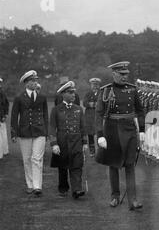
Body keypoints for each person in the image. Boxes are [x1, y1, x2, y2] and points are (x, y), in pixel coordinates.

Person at [95, 61, 144, 210]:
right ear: (114, 74)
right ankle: (114, 196)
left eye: (126, 74)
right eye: (121, 74)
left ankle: (133, 200)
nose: (125, 77)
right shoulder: (105, 91)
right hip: (112, 130)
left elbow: (140, 110)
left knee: (130, 164)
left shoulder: (132, 90)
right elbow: (99, 114)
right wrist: (100, 135)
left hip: (129, 130)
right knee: (114, 164)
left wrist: (142, 130)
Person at [11, 70, 48, 196]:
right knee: (27, 159)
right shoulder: (19, 98)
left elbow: (45, 116)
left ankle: (37, 186)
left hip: (40, 131)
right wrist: (14, 133)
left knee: (36, 158)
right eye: (32, 80)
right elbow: (14, 116)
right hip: (24, 131)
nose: (35, 82)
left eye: (36, 80)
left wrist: (46, 132)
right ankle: (30, 185)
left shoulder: (42, 97)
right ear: (26, 83)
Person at [49, 81, 88, 198]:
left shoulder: (79, 109)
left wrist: (85, 142)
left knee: (77, 166)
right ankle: (63, 187)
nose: (73, 95)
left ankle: (76, 190)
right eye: (70, 93)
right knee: (63, 166)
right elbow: (52, 128)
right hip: (62, 142)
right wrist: (54, 144)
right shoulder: (56, 110)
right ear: (63, 94)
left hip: (76, 142)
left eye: (74, 92)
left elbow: (83, 127)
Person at [83, 78, 101, 156]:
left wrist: (92, 104)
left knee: (100, 133)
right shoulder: (88, 94)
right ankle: (92, 151)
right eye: (93, 85)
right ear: (91, 85)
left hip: (98, 117)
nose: (95, 86)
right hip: (89, 117)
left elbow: (102, 104)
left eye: (96, 85)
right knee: (90, 134)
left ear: (99, 85)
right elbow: (84, 103)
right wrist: (94, 104)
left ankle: (101, 150)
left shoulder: (101, 93)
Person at [0, 77, 9, 159]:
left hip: (1, 116)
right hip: (1, 115)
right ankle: (4, 151)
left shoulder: (1, 92)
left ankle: (3, 152)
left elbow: (5, 104)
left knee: (2, 134)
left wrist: (4, 114)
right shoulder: (2, 92)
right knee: (3, 134)